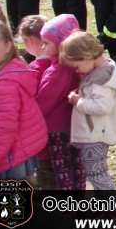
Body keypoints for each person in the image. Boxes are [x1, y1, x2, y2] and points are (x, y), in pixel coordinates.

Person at [0, 19, 48, 181]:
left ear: (8, 45)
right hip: (11, 152)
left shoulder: (5, 84)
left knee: (11, 204)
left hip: (8, 156)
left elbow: (5, 126)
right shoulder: (8, 68)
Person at [60, 30, 116, 190]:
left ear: (87, 56)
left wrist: (78, 101)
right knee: (97, 175)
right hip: (96, 133)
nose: (76, 71)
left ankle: (115, 212)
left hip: (96, 136)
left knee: (98, 177)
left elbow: (102, 106)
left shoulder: (99, 81)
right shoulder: (101, 70)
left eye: (76, 66)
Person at [37, 14, 86, 190]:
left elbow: (43, 103)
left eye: (46, 43)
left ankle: (65, 209)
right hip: (75, 126)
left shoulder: (56, 71)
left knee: (61, 170)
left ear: (60, 44)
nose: (42, 47)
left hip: (56, 130)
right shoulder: (76, 65)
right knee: (77, 166)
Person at [15, 14, 55, 189]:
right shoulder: (60, 62)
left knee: (46, 176)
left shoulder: (33, 70)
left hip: (41, 137)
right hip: (65, 131)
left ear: (28, 40)